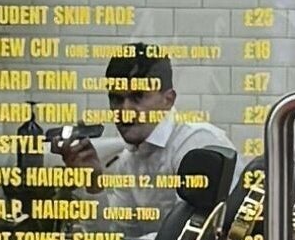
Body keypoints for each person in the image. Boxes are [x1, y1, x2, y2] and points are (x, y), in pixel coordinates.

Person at [59, 43, 234, 180]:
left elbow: (206, 224)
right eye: (116, 99)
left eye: (137, 97)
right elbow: (121, 227)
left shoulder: (197, 144)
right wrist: (94, 182)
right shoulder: (129, 161)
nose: (125, 110)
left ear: (168, 100)